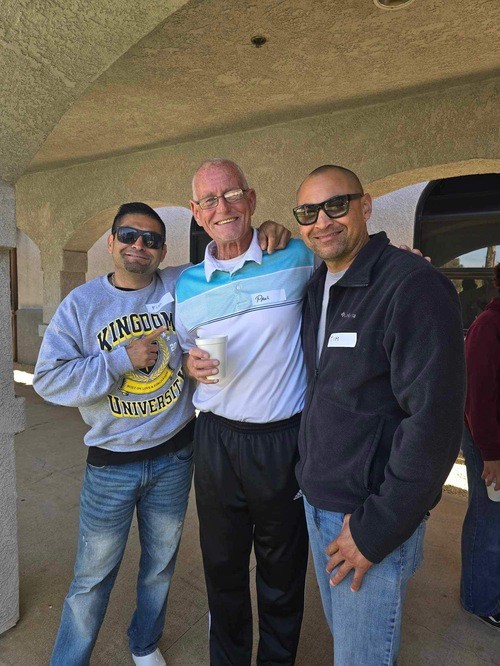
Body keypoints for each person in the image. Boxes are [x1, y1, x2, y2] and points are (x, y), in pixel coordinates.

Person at [33, 201, 287, 666]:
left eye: (151, 240)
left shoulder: (179, 284)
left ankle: (144, 642)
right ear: (111, 241)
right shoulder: (82, 305)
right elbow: (48, 380)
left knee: (159, 566)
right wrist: (120, 360)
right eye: (129, 235)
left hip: (174, 456)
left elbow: (229, 259)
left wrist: (268, 233)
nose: (139, 246)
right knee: (91, 579)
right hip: (111, 461)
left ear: (163, 251)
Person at [294, 165, 466, 665]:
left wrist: (377, 530)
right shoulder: (318, 286)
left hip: (364, 516)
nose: (322, 221)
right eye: (308, 212)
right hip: (319, 502)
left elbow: (434, 422)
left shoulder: (411, 284)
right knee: (347, 646)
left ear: (365, 206)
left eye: (336, 205)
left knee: (361, 658)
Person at [175, 158, 314, 665]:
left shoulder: (296, 255)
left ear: (251, 200)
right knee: (222, 567)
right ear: (196, 212)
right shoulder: (186, 284)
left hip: (283, 438)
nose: (223, 207)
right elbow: (183, 349)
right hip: (216, 439)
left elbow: (349, 267)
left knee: (282, 570)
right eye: (209, 200)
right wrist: (187, 364)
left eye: (232, 194)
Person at [461, 263, 500, 629]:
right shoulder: (488, 326)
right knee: (488, 518)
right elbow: (477, 397)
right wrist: (491, 453)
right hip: (488, 443)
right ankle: (480, 599)